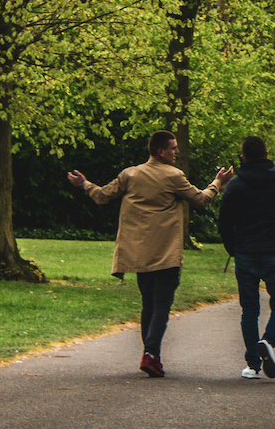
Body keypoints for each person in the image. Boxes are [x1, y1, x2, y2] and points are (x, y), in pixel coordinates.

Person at [67, 132, 232, 378]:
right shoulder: (173, 176)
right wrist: (217, 182)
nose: (177, 152)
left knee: (148, 304)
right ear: (160, 152)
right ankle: (151, 354)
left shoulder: (130, 174)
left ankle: (151, 355)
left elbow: (102, 196)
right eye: (173, 148)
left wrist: (83, 184)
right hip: (166, 255)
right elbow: (201, 200)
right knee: (161, 306)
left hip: (139, 255)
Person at [217, 135, 275, 380]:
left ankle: (252, 364)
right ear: (267, 153)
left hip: (246, 252)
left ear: (243, 158)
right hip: (274, 250)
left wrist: (233, 247)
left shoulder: (236, 185)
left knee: (249, 310)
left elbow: (225, 222)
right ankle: (268, 340)